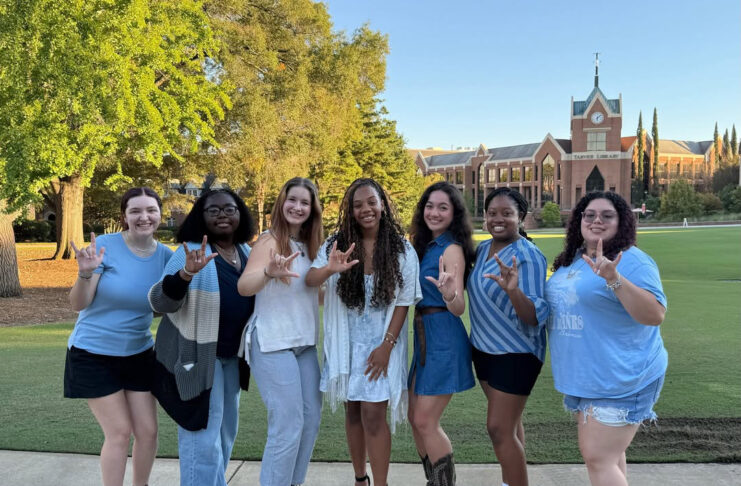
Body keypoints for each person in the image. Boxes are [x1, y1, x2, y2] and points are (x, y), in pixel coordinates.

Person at [545, 191, 667, 486]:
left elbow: (655, 314)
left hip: (622, 376)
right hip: (588, 376)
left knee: (598, 457)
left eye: (607, 215)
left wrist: (614, 279)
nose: (597, 220)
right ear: (580, 220)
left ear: (621, 221)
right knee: (608, 459)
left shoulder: (632, 260)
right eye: (590, 215)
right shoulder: (573, 260)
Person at [305, 178, 421, 486]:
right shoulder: (335, 244)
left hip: (381, 345)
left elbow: (404, 303)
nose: (365, 209)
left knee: (373, 414)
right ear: (350, 210)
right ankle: (360, 478)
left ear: (383, 204)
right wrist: (331, 269)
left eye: (371, 202)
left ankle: (380, 483)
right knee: (353, 412)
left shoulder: (402, 249)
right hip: (346, 344)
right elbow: (310, 279)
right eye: (357, 205)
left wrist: (387, 346)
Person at [64, 187, 173, 486]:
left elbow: (165, 306)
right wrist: (85, 273)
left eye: (150, 210)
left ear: (160, 214)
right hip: (93, 353)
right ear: (124, 216)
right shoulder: (105, 247)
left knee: (148, 432)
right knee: (120, 432)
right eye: (135, 211)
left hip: (138, 353)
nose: (144, 217)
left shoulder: (166, 256)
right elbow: (78, 304)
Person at [148, 188, 256, 486]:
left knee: (224, 433)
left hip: (232, 358)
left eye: (230, 209)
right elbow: (159, 303)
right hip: (196, 359)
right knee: (203, 437)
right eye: (214, 210)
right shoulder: (190, 251)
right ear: (202, 216)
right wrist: (185, 274)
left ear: (240, 214)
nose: (223, 215)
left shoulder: (246, 253)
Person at [237, 178, 324, 486]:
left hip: (304, 344)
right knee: (287, 425)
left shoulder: (313, 245)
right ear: (281, 202)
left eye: (305, 202)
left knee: (310, 421)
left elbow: (314, 294)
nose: (298, 207)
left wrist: (332, 274)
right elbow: (244, 286)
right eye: (292, 200)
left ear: (313, 209)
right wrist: (267, 272)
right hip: (273, 342)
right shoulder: (269, 240)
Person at [466, 187, 549, 486]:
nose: (497, 219)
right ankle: (511, 479)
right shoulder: (482, 249)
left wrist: (513, 291)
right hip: (484, 349)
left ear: (521, 218)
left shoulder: (529, 255)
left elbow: (534, 317)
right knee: (511, 428)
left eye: (507, 214)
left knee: (498, 429)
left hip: (517, 353)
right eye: (492, 213)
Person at [407, 181, 476, 485]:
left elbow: (459, 306)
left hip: (443, 338)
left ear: (454, 213)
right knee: (414, 418)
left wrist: (450, 294)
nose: (434, 213)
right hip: (424, 336)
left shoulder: (451, 249)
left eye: (442, 207)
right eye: (429, 206)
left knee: (425, 420)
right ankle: (433, 480)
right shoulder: (423, 246)